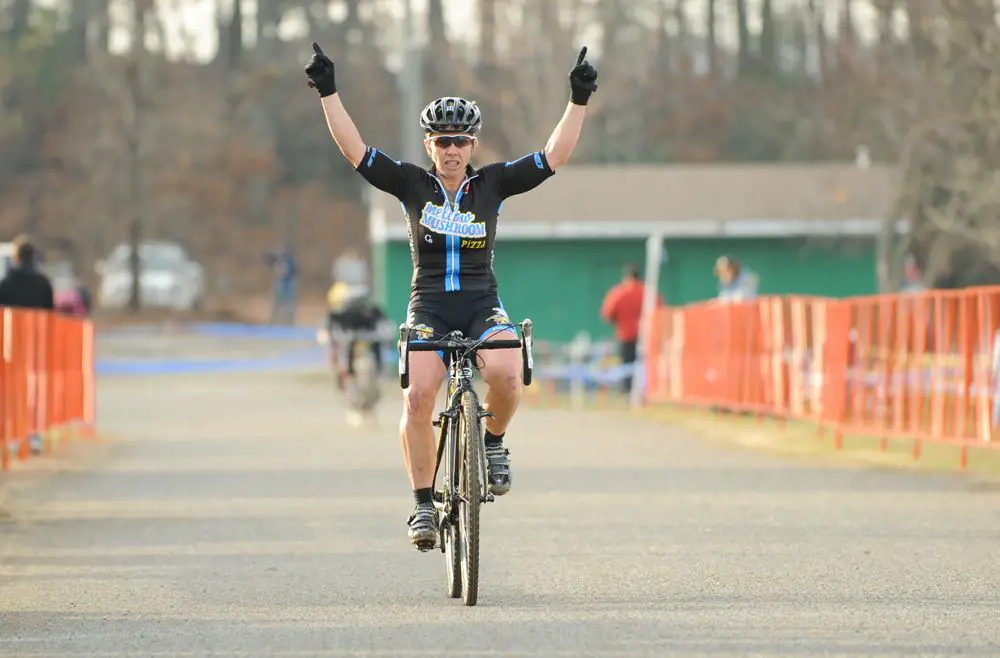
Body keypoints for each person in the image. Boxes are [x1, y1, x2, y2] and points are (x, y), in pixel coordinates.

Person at [304, 41, 598, 549]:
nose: (452, 149)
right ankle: (422, 503)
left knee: (508, 371)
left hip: (483, 302)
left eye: (460, 140)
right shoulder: (411, 184)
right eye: (442, 141)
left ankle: (494, 442)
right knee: (418, 395)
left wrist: (578, 100)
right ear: (429, 145)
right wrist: (329, 93)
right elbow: (355, 151)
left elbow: (554, 158)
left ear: (473, 145)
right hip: (431, 306)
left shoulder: (493, 185)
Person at [600, 263, 662, 394]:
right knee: (646, 363)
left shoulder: (619, 292)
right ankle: (647, 390)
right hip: (646, 334)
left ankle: (627, 391)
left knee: (627, 364)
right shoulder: (648, 293)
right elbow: (659, 312)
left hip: (625, 335)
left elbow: (607, 313)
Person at [324, 281, 388, 391]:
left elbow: (383, 322)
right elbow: (333, 322)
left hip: (366, 336)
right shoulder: (346, 312)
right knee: (347, 351)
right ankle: (349, 376)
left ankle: (376, 373)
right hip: (352, 337)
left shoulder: (372, 310)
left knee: (373, 348)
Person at [0, 235, 55, 311]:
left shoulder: (6, 283)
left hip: (13, 322)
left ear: (16, 256)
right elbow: (50, 310)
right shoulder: (43, 283)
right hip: (37, 322)